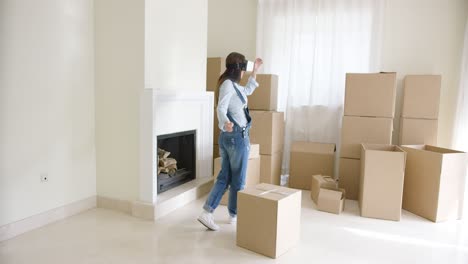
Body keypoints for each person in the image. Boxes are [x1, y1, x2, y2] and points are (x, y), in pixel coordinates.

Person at [198, 52, 263, 231]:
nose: (244, 73)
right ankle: (232, 215)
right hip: (236, 138)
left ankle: (210, 213)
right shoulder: (228, 85)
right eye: (244, 69)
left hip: (230, 138)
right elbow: (221, 107)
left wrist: (255, 71)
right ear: (238, 70)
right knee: (238, 180)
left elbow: (248, 90)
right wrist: (224, 122)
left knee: (225, 177)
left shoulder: (234, 86)